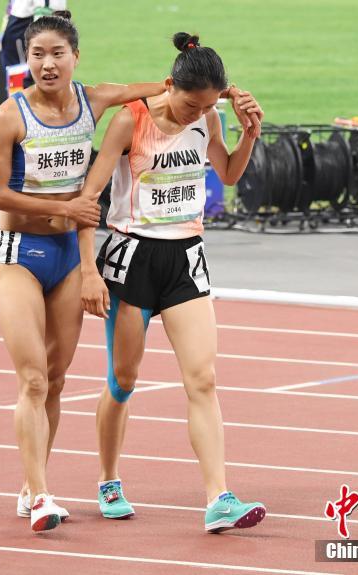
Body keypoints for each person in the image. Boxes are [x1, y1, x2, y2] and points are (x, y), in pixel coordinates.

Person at [0, 11, 176, 533]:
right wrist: (67, 209)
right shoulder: (10, 115)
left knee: (55, 379)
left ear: (75, 58)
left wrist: (213, 89)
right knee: (29, 379)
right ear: (27, 59)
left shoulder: (94, 101)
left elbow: (159, 88)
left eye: (56, 54)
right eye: (37, 54)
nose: (46, 64)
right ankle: (43, 495)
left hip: (70, 257)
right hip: (20, 252)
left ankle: (32, 481)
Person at [77, 31, 267, 533]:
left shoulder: (208, 116)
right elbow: (88, 199)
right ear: (169, 86)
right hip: (132, 257)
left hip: (186, 256)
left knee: (202, 379)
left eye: (205, 106)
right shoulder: (128, 121)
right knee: (123, 382)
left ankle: (218, 497)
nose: (194, 115)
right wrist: (87, 271)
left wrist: (248, 132)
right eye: (188, 104)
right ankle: (109, 478)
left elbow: (226, 174)